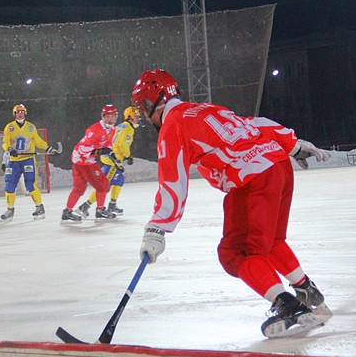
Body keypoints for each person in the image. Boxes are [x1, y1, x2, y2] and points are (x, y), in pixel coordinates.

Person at [131, 69, 331, 338]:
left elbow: (173, 179)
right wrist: (293, 145)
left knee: (235, 252)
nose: (144, 115)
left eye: (143, 107)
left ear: (153, 101)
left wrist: (158, 227)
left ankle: (288, 305)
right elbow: (255, 123)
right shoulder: (203, 109)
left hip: (253, 176)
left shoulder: (173, 125)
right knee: (269, 241)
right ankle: (306, 289)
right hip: (278, 165)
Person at [1, 104, 60, 222]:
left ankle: (39, 207)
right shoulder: (9, 127)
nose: (20, 113)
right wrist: (10, 149)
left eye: (22, 111)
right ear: (14, 114)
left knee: (30, 184)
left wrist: (48, 148)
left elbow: (37, 141)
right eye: (18, 112)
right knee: (9, 184)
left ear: (25, 113)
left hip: (28, 159)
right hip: (14, 161)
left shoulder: (31, 127)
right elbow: (5, 142)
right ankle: (10, 209)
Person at [78, 106, 141, 217]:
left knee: (119, 180)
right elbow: (122, 144)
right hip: (113, 160)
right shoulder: (128, 129)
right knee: (104, 186)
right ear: (130, 117)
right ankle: (85, 206)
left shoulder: (120, 126)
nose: (138, 119)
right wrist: (128, 155)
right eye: (136, 117)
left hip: (110, 157)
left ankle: (112, 204)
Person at [62, 104, 120, 222]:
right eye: (109, 116)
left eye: (113, 116)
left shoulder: (112, 130)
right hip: (84, 160)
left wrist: (115, 160)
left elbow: (108, 146)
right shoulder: (95, 130)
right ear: (103, 117)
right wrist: (98, 151)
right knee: (103, 184)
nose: (111, 119)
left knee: (79, 188)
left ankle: (67, 211)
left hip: (80, 159)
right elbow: (83, 149)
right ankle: (100, 210)